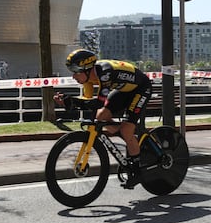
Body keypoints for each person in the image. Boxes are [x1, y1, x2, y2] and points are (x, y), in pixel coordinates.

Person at [54, 49, 152, 189]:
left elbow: (98, 102)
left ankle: (137, 171)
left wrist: (74, 102)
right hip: (123, 90)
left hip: (141, 89)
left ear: (87, 69)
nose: (73, 76)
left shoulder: (104, 73)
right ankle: (132, 139)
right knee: (101, 117)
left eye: (75, 71)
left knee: (126, 131)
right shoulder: (88, 79)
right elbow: (88, 102)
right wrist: (68, 102)